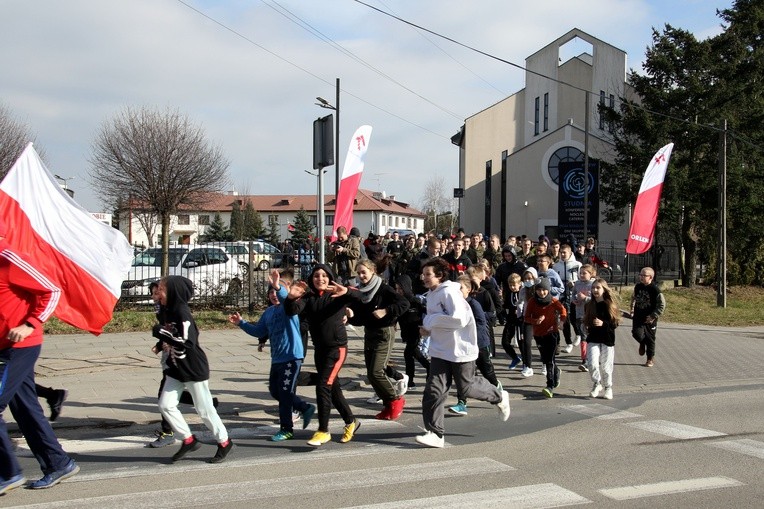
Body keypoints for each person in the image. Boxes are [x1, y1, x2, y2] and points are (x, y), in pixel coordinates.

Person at [0, 217, 79, 494]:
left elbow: (52, 290)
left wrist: (29, 323)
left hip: (20, 346)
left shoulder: (10, 259)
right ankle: (58, 464)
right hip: (3, 347)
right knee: (26, 409)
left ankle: (8, 473)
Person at [415, 258, 510, 448]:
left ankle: (499, 396)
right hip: (441, 350)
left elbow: (458, 319)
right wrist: (429, 329)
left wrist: (431, 322)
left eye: (428, 274)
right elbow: (441, 322)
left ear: (440, 276)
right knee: (434, 390)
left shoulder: (450, 292)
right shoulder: (432, 294)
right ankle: (436, 433)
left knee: (466, 388)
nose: (423, 278)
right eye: (423, 274)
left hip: (460, 350)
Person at [228, 269, 316, 441]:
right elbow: (259, 330)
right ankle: (304, 407)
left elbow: (286, 298)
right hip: (277, 358)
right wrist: (241, 323)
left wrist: (278, 286)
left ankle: (286, 428)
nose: (274, 294)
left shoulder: (288, 308)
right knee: (275, 390)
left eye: (277, 291)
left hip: (292, 356)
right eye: (271, 292)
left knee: (284, 392)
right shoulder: (268, 313)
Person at [155, 276, 232, 463]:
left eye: (162, 290)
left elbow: (187, 341)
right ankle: (188, 440)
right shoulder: (165, 311)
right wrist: (160, 342)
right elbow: (169, 334)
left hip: (192, 368)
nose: (158, 293)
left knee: (204, 409)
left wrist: (162, 333)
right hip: (175, 368)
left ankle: (224, 441)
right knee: (165, 404)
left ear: (174, 292)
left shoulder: (182, 312)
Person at [283, 264, 361, 446]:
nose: (321, 279)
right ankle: (351, 421)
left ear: (330, 277)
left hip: (337, 349)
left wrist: (348, 292)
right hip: (320, 349)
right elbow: (292, 311)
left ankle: (323, 430)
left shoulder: (338, 294)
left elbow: (361, 298)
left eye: (324, 276)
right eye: (317, 276)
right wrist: (290, 298)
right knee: (333, 388)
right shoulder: (309, 297)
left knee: (323, 386)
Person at [347, 259, 410, 420]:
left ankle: (396, 399)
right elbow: (360, 318)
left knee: (376, 371)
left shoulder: (384, 289)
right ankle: (388, 405)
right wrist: (351, 317)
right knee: (371, 373)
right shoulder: (361, 292)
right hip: (370, 333)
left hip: (384, 333)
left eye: (364, 272)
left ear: (372, 271)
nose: (361, 276)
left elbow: (404, 304)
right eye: (359, 273)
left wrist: (386, 311)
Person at [448, 275, 501, 417]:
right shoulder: (454, 305)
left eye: (461, 288)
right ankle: (461, 403)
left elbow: (481, 324)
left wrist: (471, 337)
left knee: (487, 371)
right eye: (456, 288)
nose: (458, 291)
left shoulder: (473, 304)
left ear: (469, 290)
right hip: (463, 347)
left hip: (479, 344)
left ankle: (497, 389)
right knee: (463, 375)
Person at [524, 277, 567, 398]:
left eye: (544, 290)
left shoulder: (553, 302)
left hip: (552, 333)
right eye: (539, 290)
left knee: (549, 360)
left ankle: (550, 386)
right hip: (538, 334)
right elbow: (526, 317)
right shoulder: (532, 302)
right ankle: (556, 371)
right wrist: (535, 321)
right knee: (546, 358)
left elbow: (563, 311)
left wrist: (562, 322)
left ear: (548, 290)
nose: (541, 292)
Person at [585, 279, 621, 400]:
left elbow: (615, 324)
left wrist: (603, 323)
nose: (595, 290)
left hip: (607, 339)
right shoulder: (589, 305)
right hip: (593, 338)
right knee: (592, 363)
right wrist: (586, 325)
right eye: (593, 288)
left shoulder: (609, 305)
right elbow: (586, 320)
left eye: (598, 288)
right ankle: (597, 383)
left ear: (604, 289)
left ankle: (608, 387)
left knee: (606, 366)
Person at [394, 275, 430, 389]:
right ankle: (415, 378)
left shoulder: (414, 301)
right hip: (406, 331)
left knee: (409, 353)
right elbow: (397, 314)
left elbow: (425, 311)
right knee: (413, 354)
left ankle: (411, 380)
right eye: (397, 289)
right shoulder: (399, 300)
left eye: (400, 288)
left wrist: (424, 325)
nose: (398, 291)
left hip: (415, 330)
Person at [630, 267, 666, 367]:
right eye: (640, 275)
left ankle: (650, 359)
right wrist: (632, 309)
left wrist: (653, 316)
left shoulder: (655, 290)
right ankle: (642, 343)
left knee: (650, 338)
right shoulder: (638, 286)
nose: (641, 277)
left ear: (650, 277)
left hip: (650, 318)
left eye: (643, 275)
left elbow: (662, 305)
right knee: (636, 334)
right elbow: (633, 298)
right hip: (638, 316)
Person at [553, 244, 582, 353]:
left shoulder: (577, 265)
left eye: (565, 252)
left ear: (570, 253)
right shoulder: (556, 266)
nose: (563, 254)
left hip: (574, 297)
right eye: (561, 252)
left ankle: (578, 334)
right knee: (564, 319)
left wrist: (574, 284)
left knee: (574, 319)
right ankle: (567, 342)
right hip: (561, 297)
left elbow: (582, 278)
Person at [571, 264, 596, 372]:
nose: (581, 275)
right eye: (580, 273)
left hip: (590, 315)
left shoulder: (593, 284)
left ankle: (591, 358)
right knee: (583, 337)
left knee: (590, 337)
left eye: (584, 273)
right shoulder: (577, 283)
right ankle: (584, 360)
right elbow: (573, 294)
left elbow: (596, 299)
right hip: (579, 314)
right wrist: (574, 300)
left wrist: (585, 298)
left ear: (591, 274)